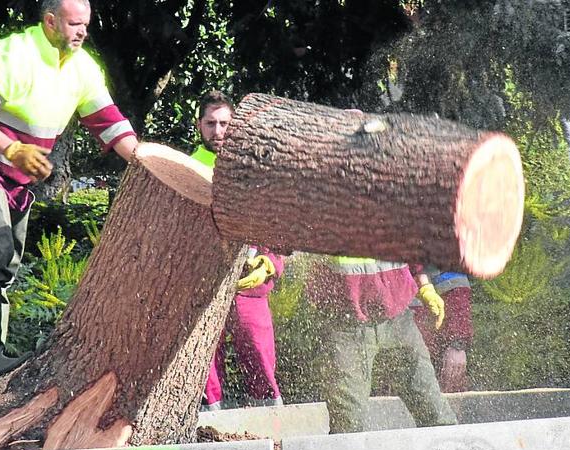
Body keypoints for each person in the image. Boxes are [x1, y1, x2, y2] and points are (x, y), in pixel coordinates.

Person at [0, 0, 139, 379]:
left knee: (9, 260)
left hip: (18, 177)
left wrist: (148, 165)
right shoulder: (14, 54)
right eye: (74, 24)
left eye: (86, 24)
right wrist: (11, 149)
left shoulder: (84, 68)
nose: (82, 31)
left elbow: (110, 124)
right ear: (50, 22)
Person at [190, 91, 286, 410]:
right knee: (204, 363)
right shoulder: (188, 169)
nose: (217, 131)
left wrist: (270, 264)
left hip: (249, 284)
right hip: (204, 284)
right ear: (199, 126)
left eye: (224, 124)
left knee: (259, 354)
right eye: (210, 124)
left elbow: (277, 227)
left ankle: (270, 430)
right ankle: (209, 428)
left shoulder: (254, 168)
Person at [306, 255, 458, 432]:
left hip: (398, 318)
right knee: (348, 421)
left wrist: (425, 287)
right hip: (345, 326)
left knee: (433, 407)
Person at [411, 270, 473, 393]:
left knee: (452, 385)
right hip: (400, 352)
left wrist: (457, 345)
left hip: (437, 356)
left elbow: (456, 286)